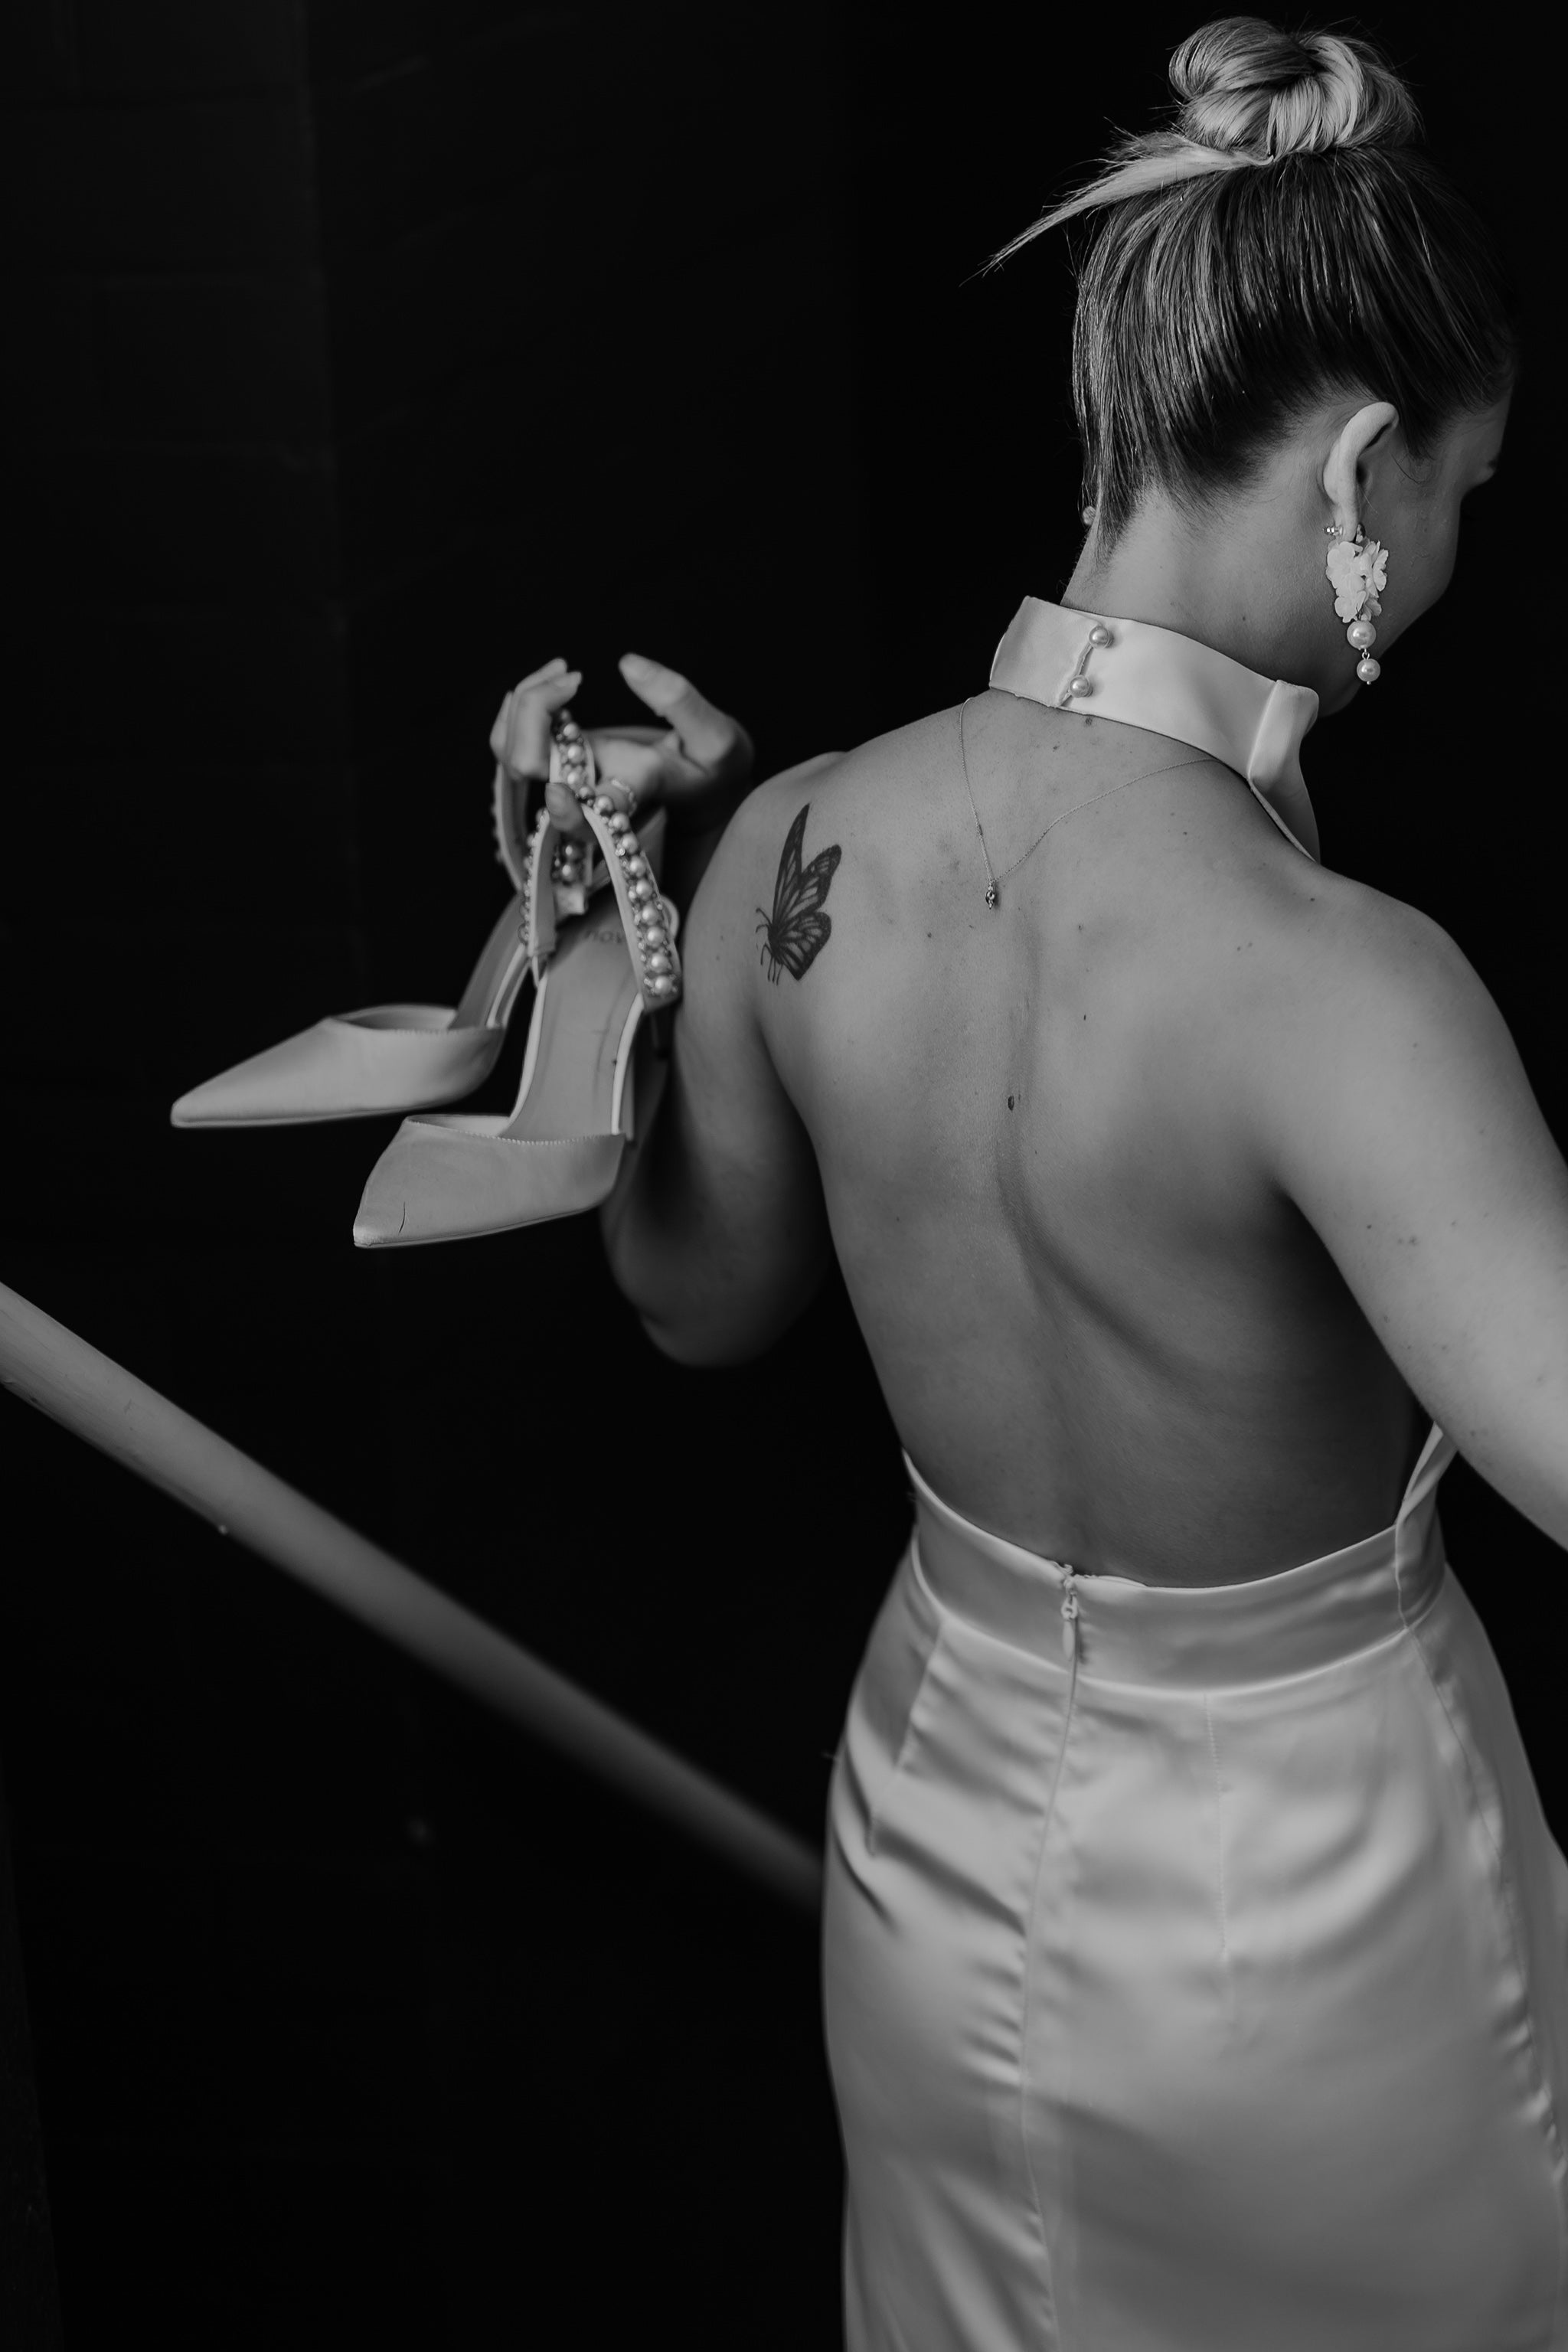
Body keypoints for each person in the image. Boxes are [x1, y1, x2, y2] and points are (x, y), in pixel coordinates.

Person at [492, 16, 1566, 2347]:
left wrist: (612, 930)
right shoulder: (1333, 984)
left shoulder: (800, 844)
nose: (1461, 548)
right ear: (1367, 467)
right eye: (1469, 485)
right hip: (1308, 1926)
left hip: (939, 1839)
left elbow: (692, 1298)